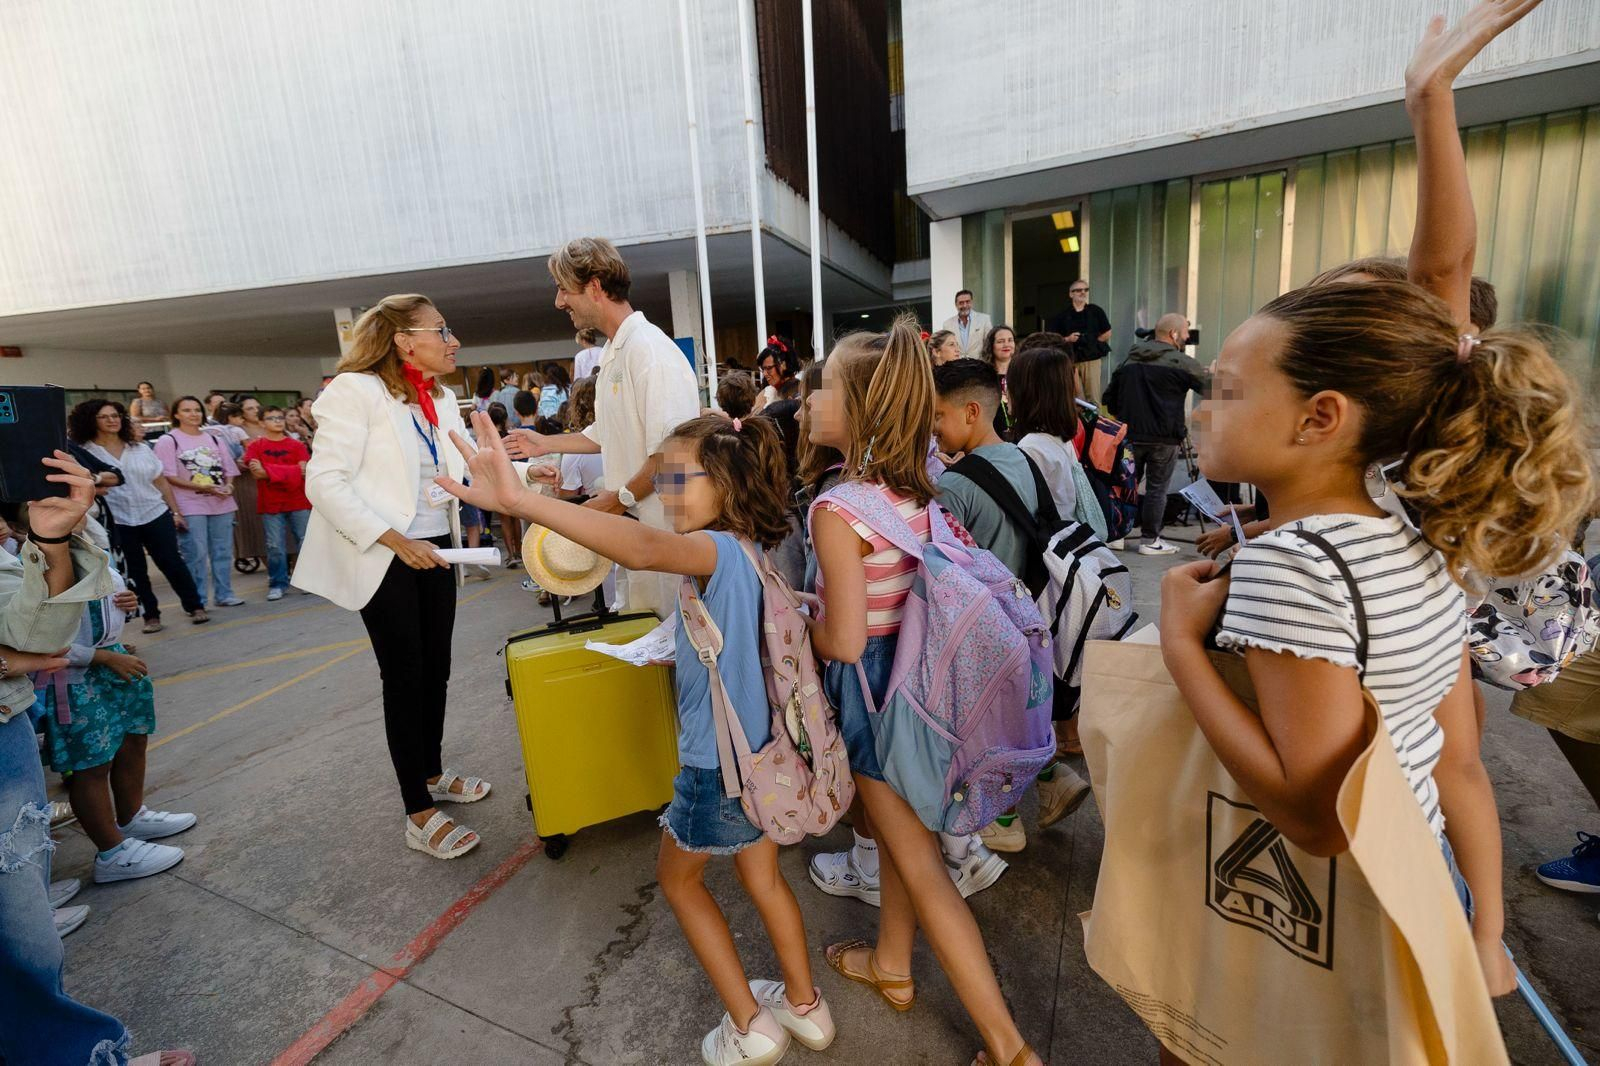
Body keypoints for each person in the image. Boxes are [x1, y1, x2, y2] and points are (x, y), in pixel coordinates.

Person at [1159, 281, 1591, 1048]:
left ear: (1320, 417)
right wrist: (1485, 932)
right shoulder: (1414, 534)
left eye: (1225, 390)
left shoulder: (1290, 565)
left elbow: (1318, 820)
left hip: (1323, 916)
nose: (1201, 408)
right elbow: (1457, 762)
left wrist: (1181, 645)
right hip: (1424, 886)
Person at [441, 411, 837, 1066]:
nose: (668, 494)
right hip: (764, 761)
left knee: (681, 884)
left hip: (716, 772)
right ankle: (805, 1008)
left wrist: (521, 502)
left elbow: (644, 548)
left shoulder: (711, 551)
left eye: (681, 479)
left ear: (727, 482)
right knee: (764, 878)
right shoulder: (749, 552)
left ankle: (751, 1026)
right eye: (663, 481)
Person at [806, 317, 1040, 1066]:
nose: (809, 400)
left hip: (875, 699)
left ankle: (1008, 1049)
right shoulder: (918, 490)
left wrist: (790, 618)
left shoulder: (837, 510)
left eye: (824, 388)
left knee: (920, 862)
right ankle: (893, 967)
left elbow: (843, 640)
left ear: (860, 410)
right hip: (922, 690)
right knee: (907, 850)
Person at [0, 451, 199, 1066]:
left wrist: (55, 543)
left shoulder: (41, 536)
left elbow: (34, 634)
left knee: (23, 929)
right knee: (87, 763)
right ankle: (112, 847)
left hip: (7, 723)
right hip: (63, 685)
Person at [292, 294, 492, 860]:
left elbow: (466, 465)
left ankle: (429, 771)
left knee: (437, 670)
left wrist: (526, 470)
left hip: (435, 548)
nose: (453, 341)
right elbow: (325, 482)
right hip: (383, 551)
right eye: (441, 330)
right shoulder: (354, 392)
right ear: (405, 341)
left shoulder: (441, 397)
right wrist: (395, 539)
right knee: (405, 677)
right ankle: (417, 810)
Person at [505, 236, 701, 617]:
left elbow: (673, 451)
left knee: (667, 648)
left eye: (564, 289)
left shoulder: (649, 351)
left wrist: (618, 500)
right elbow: (606, 431)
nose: (559, 301)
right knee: (639, 632)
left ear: (594, 287)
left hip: (664, 538)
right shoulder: (616, 350)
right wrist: (544, 443)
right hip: (635, 534)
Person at [32, 512, 197, 886]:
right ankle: (112, 853)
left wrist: (123, 603)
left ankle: (131, 816)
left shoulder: (89, 546)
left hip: (114, 661)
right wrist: (104, 657)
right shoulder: (36, 563)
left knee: (131, 740)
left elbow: (103, 603)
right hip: (76, 675)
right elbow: (40, 638)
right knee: (91, 765)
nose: (71, 512)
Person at [72, 400, 208, 631]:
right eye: (104, 417)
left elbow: (161, 481)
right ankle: (151, 615)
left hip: (154, 511)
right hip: (118, 520)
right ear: (90, 421)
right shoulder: (86, 453)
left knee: (172, 562)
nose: (112, 420)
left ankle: (195, 606)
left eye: (115, 415)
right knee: (135, 571)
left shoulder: (140, 447)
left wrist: (175, 511)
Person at [1100, 312, 1205, 556]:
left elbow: (1109, 398)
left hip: (1130, 434)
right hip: (1165, 437)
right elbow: (1215, 390)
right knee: (1157, 489)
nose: (1187, 339)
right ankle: (1149, 540)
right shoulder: (1182, 362)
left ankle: (1117, 535)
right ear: (1173, 334)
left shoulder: (1130, 359)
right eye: (1185, 334)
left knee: (1125, 485)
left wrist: (1123, 415)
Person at [153, 396, 244, 608]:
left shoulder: (214, 439)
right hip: (190, 504)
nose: (193, 414)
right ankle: (198, 600)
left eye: (196, 410)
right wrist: (201, 487)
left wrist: (229, 486)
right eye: (186, 410)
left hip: (221, 502)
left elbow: (229, 470)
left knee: (222, 551)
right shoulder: (169, 440)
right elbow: (167, 476)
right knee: (195, 553)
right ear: (176, 414)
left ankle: (224, 594)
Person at [244, 407, 313, 601]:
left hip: (298, 500)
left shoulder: (297, 445)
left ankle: (306, 580)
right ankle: (277, 583)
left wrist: (269, 470)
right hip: (271, 503)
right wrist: (290, 471)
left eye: (280, 417)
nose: (277, 421)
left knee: (305, 541)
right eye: (271, 418)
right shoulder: (255, 446)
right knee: (274, 545)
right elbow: (256, 473)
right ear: (261, 423)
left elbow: (304, 471)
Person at [1046, 279, 1112, 366]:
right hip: (1070, 359)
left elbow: (1107, 332)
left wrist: (1093, 343)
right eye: (1079, 290)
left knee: (1093, 380)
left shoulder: (1095, 311)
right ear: (1071, 294)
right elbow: (1051, 339)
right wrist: (1068, 339)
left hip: (1092, 360)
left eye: (1086, 290)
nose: (1083, 292)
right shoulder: (1061, 315)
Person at [979, 325, 1018, 438]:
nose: (1006, 345)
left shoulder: (1022, 373)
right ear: (991, 346)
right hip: (993, 434)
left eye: (1010, 340)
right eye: (1001, 341)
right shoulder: (984, 375)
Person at [752, 335, 801, 412]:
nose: (764, 373)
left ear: (783, 364)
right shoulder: (767, 392)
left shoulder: (801, 389)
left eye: (769, 368)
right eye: (763, 369)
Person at [940, 289, 992, 360]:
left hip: (979, 366)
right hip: (957, 367)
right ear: (956, 305)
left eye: (967, 302)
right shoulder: (947, 324)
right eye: (961, 303)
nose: (965, 305)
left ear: (972, 302)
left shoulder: (984, 320)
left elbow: (989, 344)